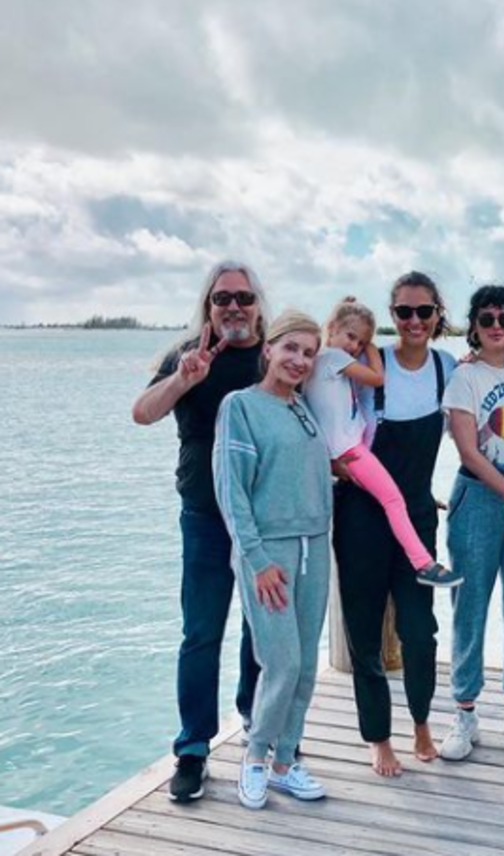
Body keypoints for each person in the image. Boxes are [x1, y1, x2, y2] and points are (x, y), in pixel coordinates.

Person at [131, 260, 267, 802]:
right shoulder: (188, 354)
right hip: (205, 516)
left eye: (243, 297)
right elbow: (143, 413)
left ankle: (257, 720)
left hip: (263, 519)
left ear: (258, 303)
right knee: (201, 632)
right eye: (222, 298)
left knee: (261, 629)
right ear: (208, 305)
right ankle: (193, 749)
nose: (233, 307)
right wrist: (183, 379)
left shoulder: (273, 354)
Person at [332, 272, 458, 777]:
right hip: (361, 517)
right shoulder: (367, 364)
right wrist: (334, 464)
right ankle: (379, 737)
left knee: (419, 631)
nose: (414, 321)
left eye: (424, 311)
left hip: (417, 518)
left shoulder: (448, 368)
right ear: (392, 315)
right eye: (404, 312)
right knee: (363, 632)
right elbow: (322, 408)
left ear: (437, 315)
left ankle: (421, 722)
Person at [213, 310, 333, 810]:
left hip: (315, 548)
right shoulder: (241, 406)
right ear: (269, 349)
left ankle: (285, 762)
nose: (299, 360)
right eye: (291, 349)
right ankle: (256, 757)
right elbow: (232, 491)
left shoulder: (303, 407)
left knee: (305, 667)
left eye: (309, 353)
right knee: (281, 663)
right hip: (269, 553)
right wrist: (257, 560)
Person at [441, 284, 504, 760]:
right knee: (470, 603)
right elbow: (468, 451)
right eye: (486, 319)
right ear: (474, 326)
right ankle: (464, 711)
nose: (496, 326)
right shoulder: (465, 376)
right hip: (480, 495)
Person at [306, 296, 460, 589]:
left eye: (361, 342)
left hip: (339, 451)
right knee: (393, 500)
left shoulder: (319, 362)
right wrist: (372, 347)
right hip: (351, 451)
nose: (355, 347)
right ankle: (423, 563)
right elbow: (378, 378)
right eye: (351, 337)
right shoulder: (335, 358)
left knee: (386, 495)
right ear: (332, 327)